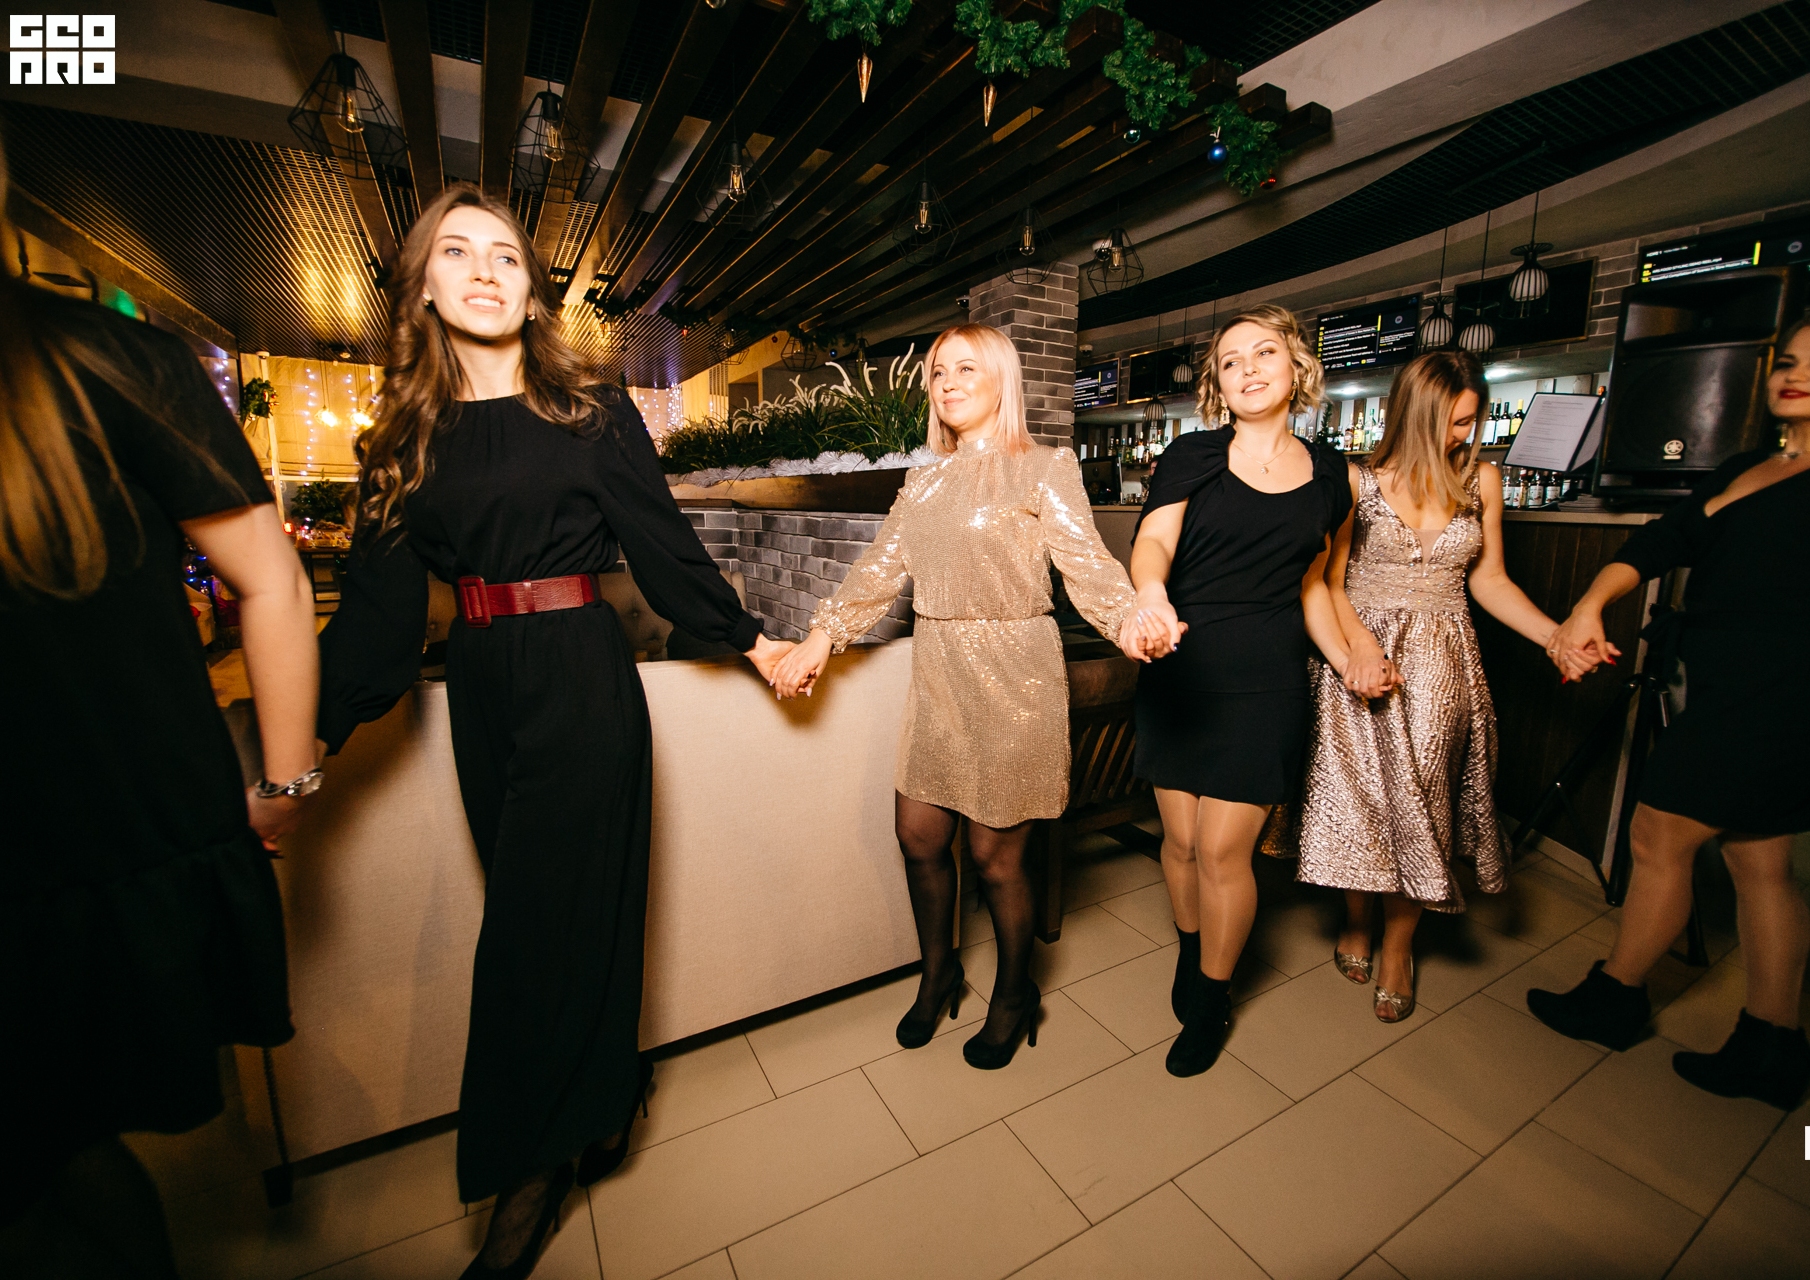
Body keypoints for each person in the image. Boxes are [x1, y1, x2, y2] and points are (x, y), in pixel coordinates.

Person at [315, 184, 791, 1279]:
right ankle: (607, 1091)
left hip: (580, 674)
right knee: (570, 918)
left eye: (506, 255)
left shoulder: (591, 409)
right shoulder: (400, 434)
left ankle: (526, 1178)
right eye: (457, 252)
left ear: (532, 292)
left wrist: (751, 641)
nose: (485, 269)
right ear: (422, 287)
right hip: (483, 686)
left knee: (530, 943)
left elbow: (662, 547)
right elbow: (378, 621)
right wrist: (303, 747)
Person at [0, 132, 317, 1274]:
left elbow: (272, 579)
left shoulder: (106, 360)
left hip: (78, 847)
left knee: (49, 1172)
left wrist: (286, 779)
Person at [1531, 301, 1810, 1110]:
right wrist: (1591, 603)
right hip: (1729, 684)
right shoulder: (1748, 465)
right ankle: (1772, 1044)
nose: (1796, 376)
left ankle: (1616, 997)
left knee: (1658, 834)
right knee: (1758, 859)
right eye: (1789, 361)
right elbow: (1658, 543)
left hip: (1795, 693)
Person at [772, 324, 1161, 1070]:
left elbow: (1088, 567)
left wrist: (1129, 623)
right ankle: (939, 972)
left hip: (1017, 674)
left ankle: (1014, 994)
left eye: (965, 369)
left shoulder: (1045, 466)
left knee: (995, 857)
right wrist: (821, 639)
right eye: (938, 372)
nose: (947, 383)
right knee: (918, 836)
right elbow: (878, 571)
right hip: (940, 671)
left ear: (1001, 380)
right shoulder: (923, 482)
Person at [1291, 351, 1586, 1022]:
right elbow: (1328, 582)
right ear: (1416, 415)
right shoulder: (1357, 479)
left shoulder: (1482, 480)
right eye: (1454, 422)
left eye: (1471, 421)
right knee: (1358, 800)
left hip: (1442, 662)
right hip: (1357, 653)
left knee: (1425, 799)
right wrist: (1356, 650)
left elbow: (1490, 580)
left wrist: (1555, 636)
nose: (1465, 435)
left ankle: (1399, 944)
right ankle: (1357, 918)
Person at [1127, 304, 1376, 1077]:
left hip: (1267, 678)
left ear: (1297, 366)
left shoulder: (1334, 476)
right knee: (1180, 844)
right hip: (1182, 665)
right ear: (1218, 384)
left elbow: (1316, 584)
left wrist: (1349, 658)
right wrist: (1150, 594)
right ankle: (1191, 945)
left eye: (1264, 352)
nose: (1248, 369)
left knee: (1223, 849)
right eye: (1231, 361)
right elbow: (1154, 539)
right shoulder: (1194, 455)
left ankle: (1212, 997)